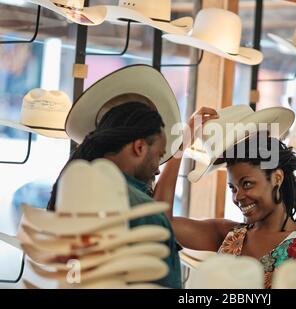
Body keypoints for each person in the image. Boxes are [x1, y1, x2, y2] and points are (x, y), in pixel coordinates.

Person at [47, 101, 218, 289]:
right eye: (159, 157)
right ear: (139, 147)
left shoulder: (75, 188)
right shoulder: (142, 211)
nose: (158, 171)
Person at [165, 132, 296, 289]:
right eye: (233, 188)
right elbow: (162, 221)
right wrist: (183, 142)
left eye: (247, 184)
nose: (237, 197)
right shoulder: (228, 234)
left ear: (277, 178)